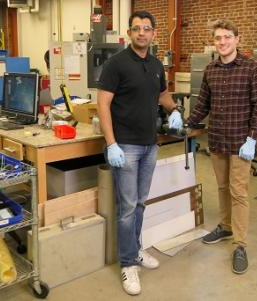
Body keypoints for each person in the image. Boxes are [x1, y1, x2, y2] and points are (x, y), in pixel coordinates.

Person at [97, 11, 183, 296]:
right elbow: (103, 104)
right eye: (136, 29)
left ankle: (134, 251)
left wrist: (175, 110)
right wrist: (111, 143)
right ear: (129, 33)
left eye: (146, 29)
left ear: (154, 33)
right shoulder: (116, 64)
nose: (141, 33)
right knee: (127, 207)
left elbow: (161, 95)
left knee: (141, 203)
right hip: (126, 146)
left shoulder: (157, 65)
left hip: (149, 145)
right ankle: (128, 264)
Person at [185, 19, 257, 274]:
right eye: (218, 38)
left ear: (237, 39)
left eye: (227, 37)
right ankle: (226, 225)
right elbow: (203, 105)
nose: (222, 42)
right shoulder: (211, 69)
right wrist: (187, 122)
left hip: (240, 143)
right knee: (222, 187)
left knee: (238, 192)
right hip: (218, 139)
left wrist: (252, 138)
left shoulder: (252, 68)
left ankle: (240, 244)